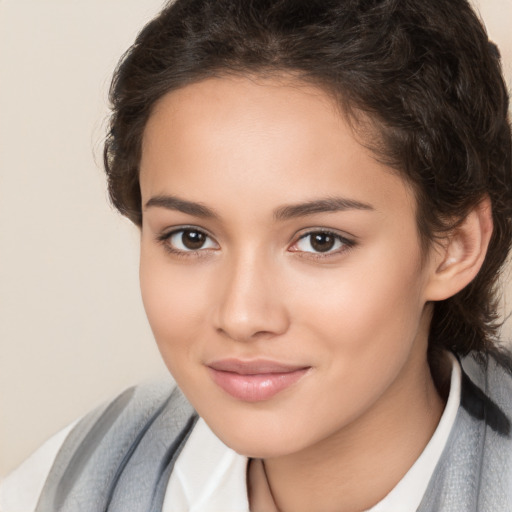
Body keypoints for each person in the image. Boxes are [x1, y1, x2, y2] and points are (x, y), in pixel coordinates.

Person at [1, 0, 512, 510]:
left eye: (320, 241)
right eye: (191, 238)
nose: (241, 316)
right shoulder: (71, 486)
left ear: (454, 249)